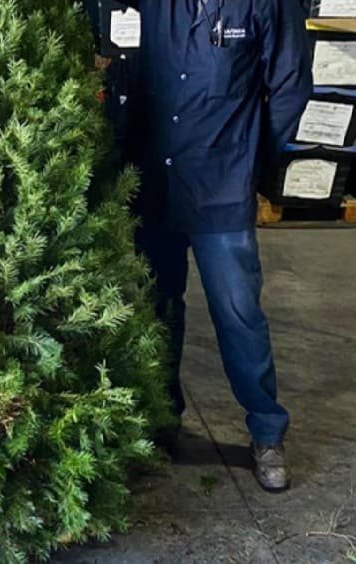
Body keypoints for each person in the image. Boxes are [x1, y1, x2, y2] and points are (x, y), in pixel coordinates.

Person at [120, 0, 312, 491]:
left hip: (222, 187)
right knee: (158, 307)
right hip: (157, 184)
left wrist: (250, 162)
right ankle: (162, 420)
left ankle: (267, 431)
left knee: (238, 313)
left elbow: (290, 88)